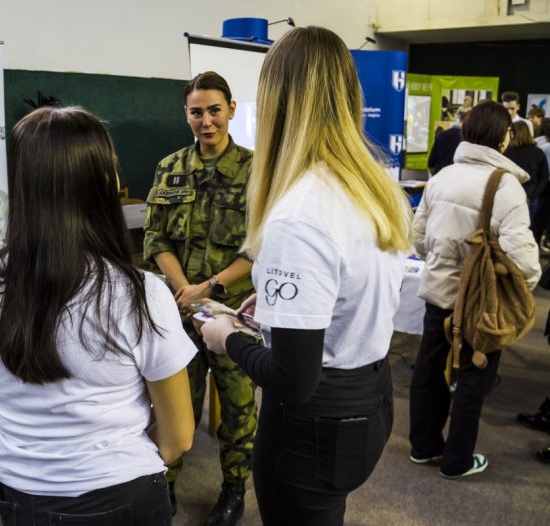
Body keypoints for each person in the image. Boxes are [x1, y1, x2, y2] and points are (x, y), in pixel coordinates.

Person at [0, 106, 196, 526]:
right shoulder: (141, 293)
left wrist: (35, 437)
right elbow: (179, 435)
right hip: (124, 492)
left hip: (22, 494)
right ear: (102, 185)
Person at [199, 27, 412, 526]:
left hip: (313, 428)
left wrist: (225, 337)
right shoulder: (376, 187)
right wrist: (275, 314)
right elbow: (350, 295)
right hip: (371, 403)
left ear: (276, 101)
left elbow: (293, 380)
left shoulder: (299, 214)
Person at [143, 71, 257, 525]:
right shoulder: (170, 167)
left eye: (214, 110)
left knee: (238, 406)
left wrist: (208, 288)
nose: (206, 121)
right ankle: (165, 486)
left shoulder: (256, 170)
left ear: (231, 109)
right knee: (173, 404)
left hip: (232, 315)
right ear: (186, 114)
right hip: (179, 315)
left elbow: (259, 246)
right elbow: (155, 238)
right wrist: (183, 290)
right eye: (197, 112)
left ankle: (234, 489)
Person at [410, 101, 541, 479]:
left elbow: (419, 241)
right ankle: (457, 461)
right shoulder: (505, 186)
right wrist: (519, 291)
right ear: (502, 138)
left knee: (430, 369)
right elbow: (525, 262)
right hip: (481, 301)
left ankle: (424, 447)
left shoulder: (441, 177)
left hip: (438, 294)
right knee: (473, 377)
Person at [503, 120, 550, 240]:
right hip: (531, 197)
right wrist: (534, 195)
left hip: (509, 197)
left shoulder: (506, 152)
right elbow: (544, 177)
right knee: (528, 230)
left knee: (508, 229)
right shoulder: (538, 152)